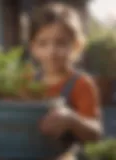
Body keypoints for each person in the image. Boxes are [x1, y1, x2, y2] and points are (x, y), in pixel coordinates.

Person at [29, 2, 103, 159]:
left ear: (76, 46)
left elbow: (96, 133)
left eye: (61, 43)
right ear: (33, 48)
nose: (52, 51)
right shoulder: (27, 80)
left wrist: (72, 120)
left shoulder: (81, 84)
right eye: (43, 43)